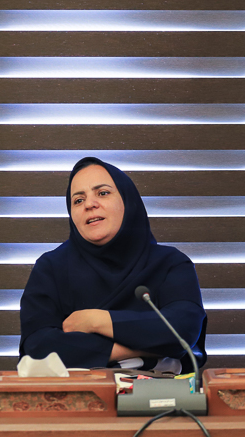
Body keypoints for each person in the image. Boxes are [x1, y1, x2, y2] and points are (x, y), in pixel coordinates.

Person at [19, 157, 207, 372]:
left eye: (102, 193)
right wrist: (145, 349)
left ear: (127, 201)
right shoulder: (51, 268)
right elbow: (37, 348)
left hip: (161, 391)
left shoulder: (170, 263)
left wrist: (95, 321)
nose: (89, 204)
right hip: (81, 391)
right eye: (78, 200)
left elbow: (182, 329)